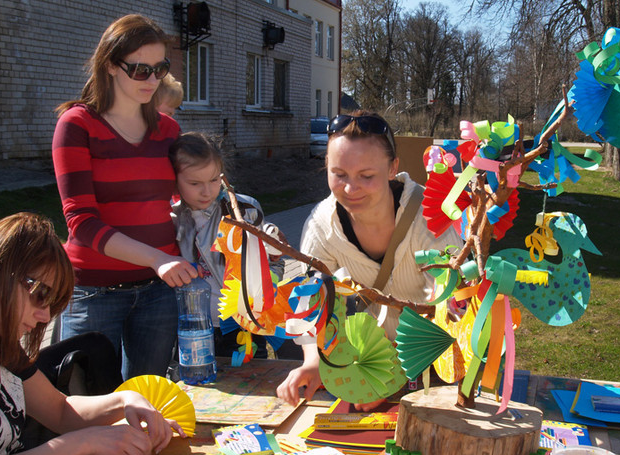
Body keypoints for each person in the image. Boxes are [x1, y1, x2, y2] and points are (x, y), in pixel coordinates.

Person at [0, 213, 185, 455]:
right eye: (41, 294)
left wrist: (124, 400)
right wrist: (81, 443)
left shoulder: (0, 345)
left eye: (52, 304)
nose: (46, 318)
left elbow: (59, 410)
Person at [276, 111, 462, 408]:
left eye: (366, 176)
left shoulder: (430, 219)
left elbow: (451, 313)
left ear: (392, 169)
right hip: (369, 363)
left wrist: (386, 380)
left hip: (435, 369)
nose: (351, 189)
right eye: (339, 174)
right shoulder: (322, 226)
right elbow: (312, 305)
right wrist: (314, 362)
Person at [52, 14, 197, 379]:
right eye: (140, 70)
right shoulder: (77, 125)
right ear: (111, 66)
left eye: (160, 69)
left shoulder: (169, 130)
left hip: (158, 292)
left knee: (150, 400)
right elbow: (81, 223)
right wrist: (156, 259)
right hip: (94, 293)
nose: (153, 80)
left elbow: (193, 197)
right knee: (91, 407)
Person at [170, 132, 300, 359]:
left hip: (245, 322)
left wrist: (269, 269)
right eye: (194, 183)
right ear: (174, 179)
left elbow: (274, 264)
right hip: (198, 325)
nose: (206, 191)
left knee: (253, 379)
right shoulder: (171, 219)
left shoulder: (245, 210)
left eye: (213, 180)